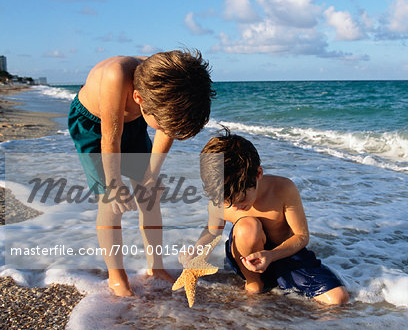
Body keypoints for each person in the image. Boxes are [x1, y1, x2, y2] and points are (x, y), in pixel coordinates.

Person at [68, 49, 215, 296]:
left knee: (150, 196)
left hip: (136, 121)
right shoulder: (116, 76)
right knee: (109, 201)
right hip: (94, 126)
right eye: (162, 125)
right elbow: (110, 138)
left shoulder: (170, 88)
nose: (165, 129)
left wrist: (150, 175)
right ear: (138, 98)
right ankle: (117, 275)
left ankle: (155, 267)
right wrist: (114, 183)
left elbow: (166, 128)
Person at [183, 129, 349, 305]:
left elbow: (302, 236)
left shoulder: (283, 189)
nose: (235, 206)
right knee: (247, 225)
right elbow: (211, 233)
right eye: (226, 202)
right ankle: (254, 283)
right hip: (246, 262)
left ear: (258, 174)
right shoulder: (220, 200)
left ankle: (278, 279)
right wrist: (196, 254)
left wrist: (271, 255)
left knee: (338, 298)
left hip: (285, 255)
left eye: (241, 199)